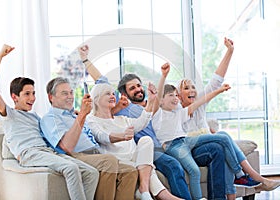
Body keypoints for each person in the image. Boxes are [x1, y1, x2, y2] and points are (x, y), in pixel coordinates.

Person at [79, 45, 226, 200]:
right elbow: (102, 83)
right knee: (173, 166)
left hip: (171, 143)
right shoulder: (124, 109)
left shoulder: (154, 103)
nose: (137, 89)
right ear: (123, 94)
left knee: (216, 148)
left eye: (138, 85)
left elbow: (165, 109)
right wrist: (85, 59)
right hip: (154, 150)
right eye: (132, 88)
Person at [0, 44, 99, 200]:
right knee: (71, 167)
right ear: (14, 97)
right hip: (30, 153)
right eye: (27, 94)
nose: (32, 98)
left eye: (33, 93)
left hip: (47, 152)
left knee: (91, 173)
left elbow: (52, 127)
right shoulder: (9, 114)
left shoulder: (35, 118)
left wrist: (74, 114)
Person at [178, 37, 280, 195]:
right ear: (178, 95)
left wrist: (230, 51)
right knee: (221, 141)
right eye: (186, 88)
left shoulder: (200, 104)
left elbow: (216, 80)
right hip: (193, 151)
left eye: (193, 87)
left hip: (209, 145)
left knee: (221, 144)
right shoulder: (178, 110)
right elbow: (191, 114)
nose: (191, 90)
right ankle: (249, 177)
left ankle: (239, 187)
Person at [40, 77, 138, 200]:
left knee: (130, 171)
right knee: (109, 161)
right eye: (65, 93)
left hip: (96, 153)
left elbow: (99, 119)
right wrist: (82, 115)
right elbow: (66, 147)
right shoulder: (51, 118)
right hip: (76, 155)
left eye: (71, 92)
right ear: (51, 97)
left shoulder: (73, 115)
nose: (70, 96)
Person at [86, 81, 182, 200]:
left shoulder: (121, 119)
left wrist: (151, 101)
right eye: (107, 94)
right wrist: (122, 135)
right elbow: (101, 136)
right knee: (147, 168)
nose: (112, 96)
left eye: (112, 93)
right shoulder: (91, 119)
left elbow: (142, 122)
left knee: (146, 140)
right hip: (118, 160)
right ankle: (158, 195)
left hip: (135, 158)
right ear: (96, 98)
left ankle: (144, 191)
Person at [152, 83, 241, 200]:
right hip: (173, 146)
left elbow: (201, 101)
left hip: (186, 140)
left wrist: (219, 90)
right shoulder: (158, 114)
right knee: (194, 171)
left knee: (223, 138)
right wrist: (163, 76)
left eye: (176, 95)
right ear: (161, 100)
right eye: (170, 95)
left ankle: (239, 174)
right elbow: (156, 100)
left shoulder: (180, 112)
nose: (175, 98)